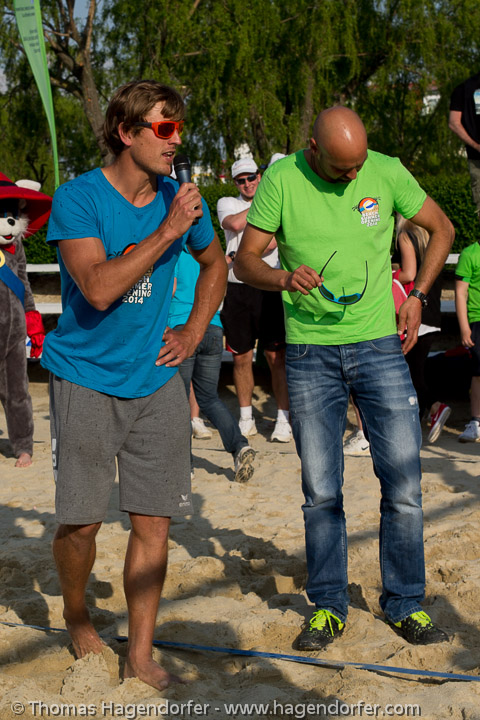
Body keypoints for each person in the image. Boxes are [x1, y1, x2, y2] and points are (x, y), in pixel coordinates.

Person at [235, 106, 454, 650]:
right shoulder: (282, 178)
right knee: (321, 492)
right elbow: (244, 261)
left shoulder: (387, 169)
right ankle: (329, 606)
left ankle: (404, 602)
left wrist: (418, 296)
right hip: (310, 354)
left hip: (380, 347)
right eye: (341, 168)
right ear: (313, 148)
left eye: (359, 165)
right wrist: (283, 277)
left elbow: (442, 229)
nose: (354, 176)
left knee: (404, 486)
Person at [40, 79, 227, 690]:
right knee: (82, 525)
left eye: (179, 128)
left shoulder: (181, 198)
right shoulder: (78, 198)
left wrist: (194, 330)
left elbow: (217, 263)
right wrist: (168, 231)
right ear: (126, 132)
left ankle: (140, 653)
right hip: (85, 378)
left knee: (154, 524)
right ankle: (76, 614)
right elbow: (97, 288)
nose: (176, 141)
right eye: (164, 128)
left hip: (157, 380)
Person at [217, 158, 292, 442]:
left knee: (276, 357)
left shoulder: (273, 203)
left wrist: (242, 253)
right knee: (241, 357)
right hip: (238, 288)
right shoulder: (227, 202)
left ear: (259, 177)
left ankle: (283, 419)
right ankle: (246, 417)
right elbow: (234, 223)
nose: (247, 184)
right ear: (235, 183)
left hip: (269, 286)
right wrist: (267, 199)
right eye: (241, 180)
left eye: (251, 177)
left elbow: (271, 244)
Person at [168, 246, 256, 482]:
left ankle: (184, 465)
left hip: (182, 327)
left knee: (178, 401)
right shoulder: (211, 253)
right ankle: (239, 447)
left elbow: (171, 289)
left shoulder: (174, 253)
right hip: (213, 327)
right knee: (209, 398)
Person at [394, 215, 451, 443]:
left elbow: (409, 273)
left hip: (416, 314)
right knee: (416, 371)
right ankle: (417, 425)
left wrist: (389, 275)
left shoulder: (405, 236)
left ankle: (436, 406)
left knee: (410, 374)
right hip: (433, 313)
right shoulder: (429, 238)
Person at [455, 239, 480, 442]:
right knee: (478, 374)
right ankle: (476, 422)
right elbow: (461, 292)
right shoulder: (470, 254)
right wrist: (464, 327)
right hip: (477, 319)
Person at [449, 72, 480, 216]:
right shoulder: (464, 89)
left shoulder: (463, 88)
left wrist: (476, 146)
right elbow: (453, 123)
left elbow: (454, 123)